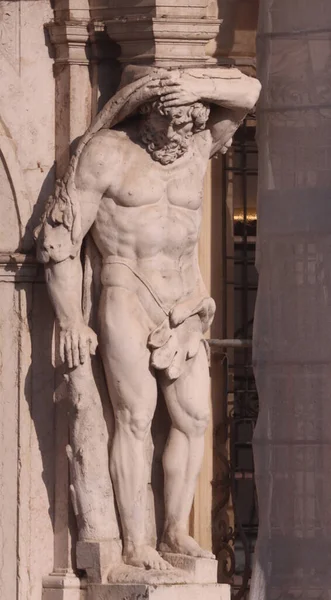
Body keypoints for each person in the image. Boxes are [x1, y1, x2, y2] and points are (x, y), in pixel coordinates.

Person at [36, 66, 261, 571]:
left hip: (184, 300)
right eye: (170, 124)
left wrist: (198, 86)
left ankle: (174, 531)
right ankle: (135, 543)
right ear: (146, 113)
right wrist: (72, 319)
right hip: (125, 289)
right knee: (134, 418)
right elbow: (59, 243)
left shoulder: (198, 148)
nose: (178, 137)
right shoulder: (106, 153)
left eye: (189, 124)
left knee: (195, 418)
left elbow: (251, 92)